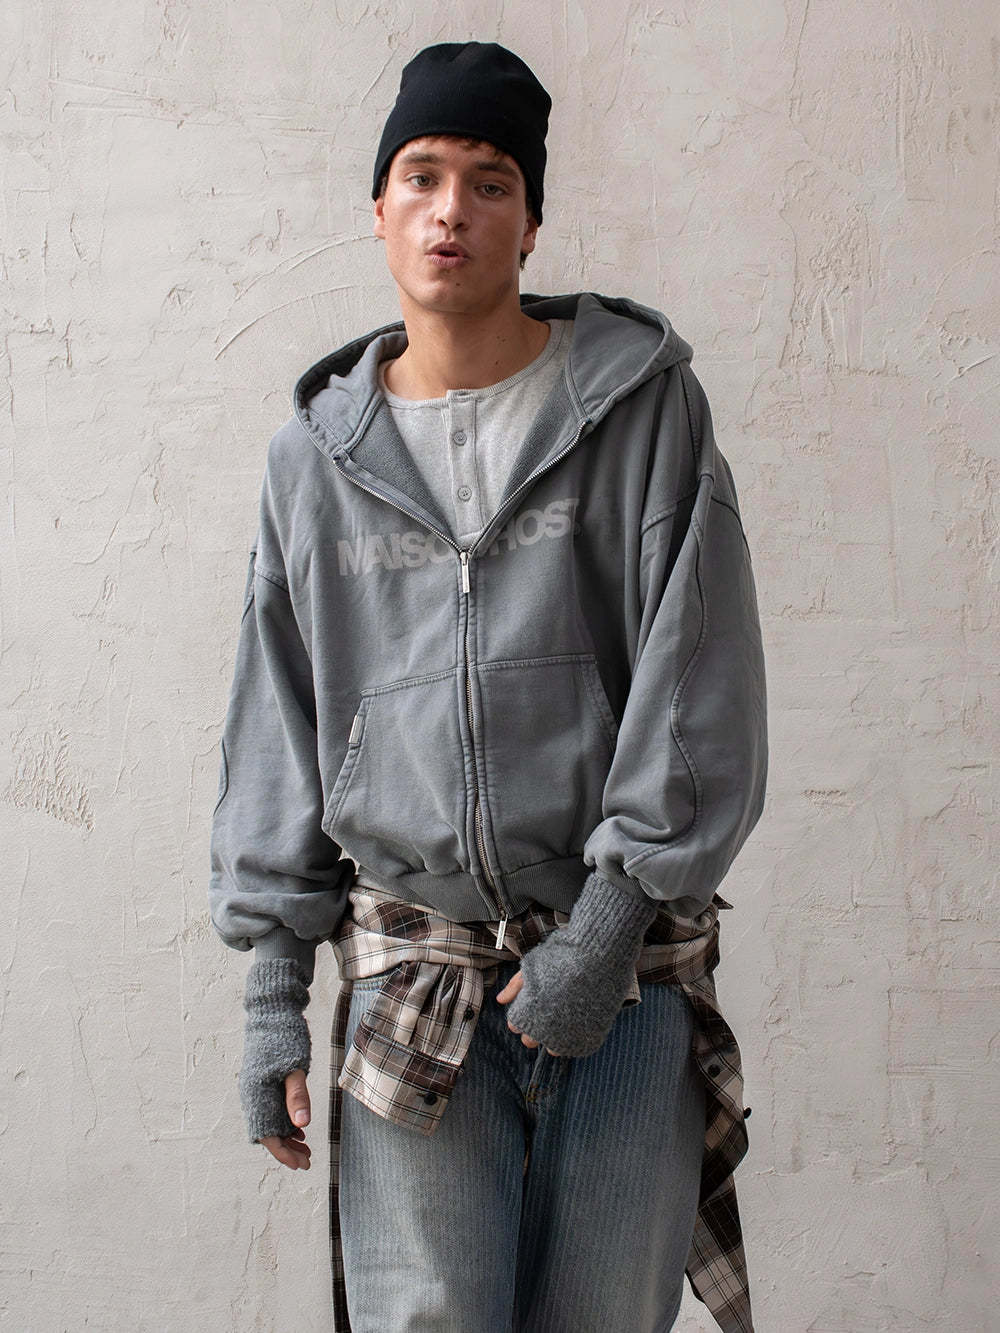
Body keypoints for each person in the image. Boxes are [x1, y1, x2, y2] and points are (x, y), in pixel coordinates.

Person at [209, 40, 768, 1333]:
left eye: (490, 180)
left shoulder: (644, 416)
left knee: (604, 1319)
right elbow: (277, 728)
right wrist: (273, 995)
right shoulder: (313, 463)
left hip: (624, 980)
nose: (451, 208)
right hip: (415, 972)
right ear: (379, 207)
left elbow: (702, 682)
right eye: (421, 175)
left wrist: (608, 928)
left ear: (531, 220)